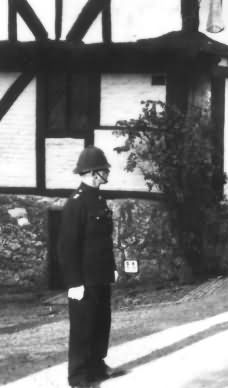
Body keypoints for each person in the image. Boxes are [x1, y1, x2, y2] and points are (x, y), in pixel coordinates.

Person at [59, 146, 125, 387]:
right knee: (82, 328)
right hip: (84, 279)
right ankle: (78, 377)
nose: (107, 173)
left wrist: (112, 267)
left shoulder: (98, 198)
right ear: (94, 173)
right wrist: (74, 282)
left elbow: (103, 240)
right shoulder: (76, 204)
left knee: (100, 323)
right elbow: (67, 247)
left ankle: (97, 367)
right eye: (104, 170)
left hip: (100, 275)